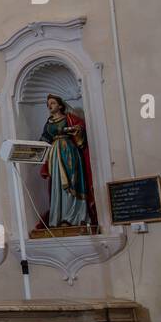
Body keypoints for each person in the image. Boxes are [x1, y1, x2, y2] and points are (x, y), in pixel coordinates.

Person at [39, 94, 95, 228]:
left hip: (69, 152)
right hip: (54, 156)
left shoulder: (69, 118)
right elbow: (44, 139)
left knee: (72, 181)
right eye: (48, 104)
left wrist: (76, 130)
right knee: (57, 184)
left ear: (60, 105)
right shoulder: (49, 123)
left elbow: (80, 129)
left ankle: (74, 216)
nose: (50, 106)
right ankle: (58, 217)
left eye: (52, 103)